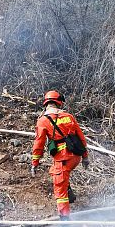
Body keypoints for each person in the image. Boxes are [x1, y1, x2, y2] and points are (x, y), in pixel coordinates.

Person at [31, 90, 89, 218]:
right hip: (76, 156)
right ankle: (67, 189)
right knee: (56, 172)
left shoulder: (43, 121)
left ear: (46, 103)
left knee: (60, 190)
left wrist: (35, 163)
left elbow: (39, 143)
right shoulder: (68, 116)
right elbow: (81, 137)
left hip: (63, 159)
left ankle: (65, 221)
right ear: (59, 102)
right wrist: (85, 157)